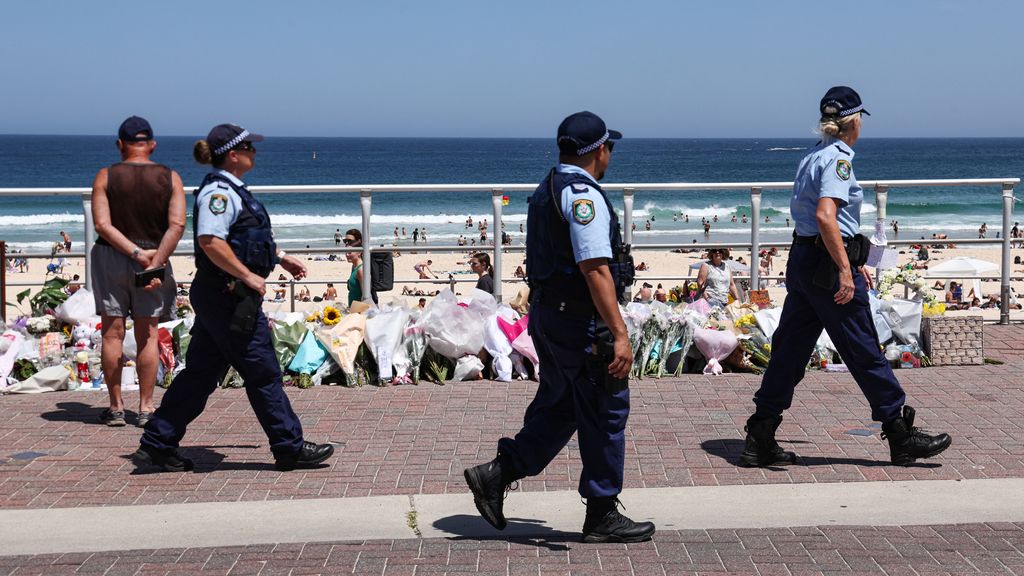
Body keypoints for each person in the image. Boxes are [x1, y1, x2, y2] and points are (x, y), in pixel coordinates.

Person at [464, 111, 653, 543]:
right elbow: (595, 269)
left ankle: (496, 475)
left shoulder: (547, 187)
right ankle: (602, 513)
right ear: (598, 150)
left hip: (550, 317)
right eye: (610, 146)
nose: (611, 154)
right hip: (579, 322)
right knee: (606, 410)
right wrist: (619, 333)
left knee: (563, 406)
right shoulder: (582, 196)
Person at [740, 87, 951, 469]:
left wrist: (854, 259)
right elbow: (826, 216)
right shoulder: (838, 160)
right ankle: (900, 435)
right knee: (863, 347)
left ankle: (761, 434)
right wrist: (844, 270)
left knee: (789, 350)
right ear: (854, 121)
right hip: (826, 266)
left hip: (804, 260)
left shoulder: (811, 156)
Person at [136, 123, 333, 472]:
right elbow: (211, 241)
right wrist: (247, 276)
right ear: (234, 155)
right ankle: (288, 447)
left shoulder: (233, 191)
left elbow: (244, 239)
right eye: (250, 148)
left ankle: (158, 442)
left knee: (200, 373)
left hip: (222, 296)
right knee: (263, 372)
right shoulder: (220, 194)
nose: (255, 153)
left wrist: (279, 257)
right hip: (228, 297)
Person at [90, 116, 186, 428]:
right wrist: (153, 259)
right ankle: (146, 408)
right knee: (147, 334)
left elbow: (102, 225)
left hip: (111, 256)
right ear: (152, 144)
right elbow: (178, 224)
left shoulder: (105, 176)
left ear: (120, 144)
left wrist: (133, 252)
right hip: (154, 259)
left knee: (112, 332)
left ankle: (116, 406)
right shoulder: (170, 177)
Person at [343, 229, 363, 306]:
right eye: (345, 241)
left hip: (358, 312)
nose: (347, 243)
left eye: (350, 241)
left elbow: (366, 297)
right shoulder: (354, 267)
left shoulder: (361, 269)